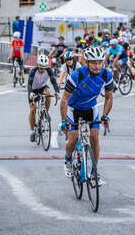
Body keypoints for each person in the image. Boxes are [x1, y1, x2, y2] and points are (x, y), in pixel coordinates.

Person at [60, 47, 113, 185]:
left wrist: (105, 115)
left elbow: (109, 98)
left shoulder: (106, 75)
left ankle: (95, 172)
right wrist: (64, 120)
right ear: (86, 62)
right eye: (94, 63)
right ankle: (67, 160)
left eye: (100, 62)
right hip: (74, 108)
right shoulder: (77, 76)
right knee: (73, 138)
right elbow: (64, 99)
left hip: (91, 107)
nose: (97, 66)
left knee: (95, 138)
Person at [27, 54, 60, 142]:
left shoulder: (48, 70)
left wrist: (57, 92)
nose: (42, 70)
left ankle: (45, 112)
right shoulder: (33, 71)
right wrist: (30, 93)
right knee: (33, 109)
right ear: (37, 65)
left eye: (44, 68)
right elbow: (29, 84)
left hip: (42, 87)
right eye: (41, 68)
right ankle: (32, 132)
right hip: (33, 89)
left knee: (48, 93)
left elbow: (54, 82)